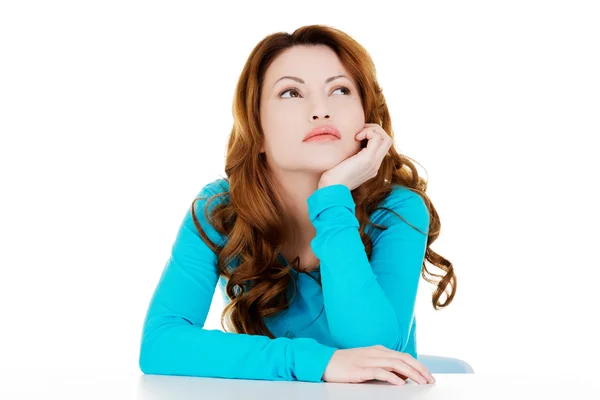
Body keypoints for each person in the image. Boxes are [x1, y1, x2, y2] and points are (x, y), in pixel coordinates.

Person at [138, 24, 456, 386]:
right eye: (291, 93)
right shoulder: (220, 210)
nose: (321, 110)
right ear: (256, 130)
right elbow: (161, 345)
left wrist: (334, 195)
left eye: (340, 90)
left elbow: (376, 352)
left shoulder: (397, 209)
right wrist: (318, 362)